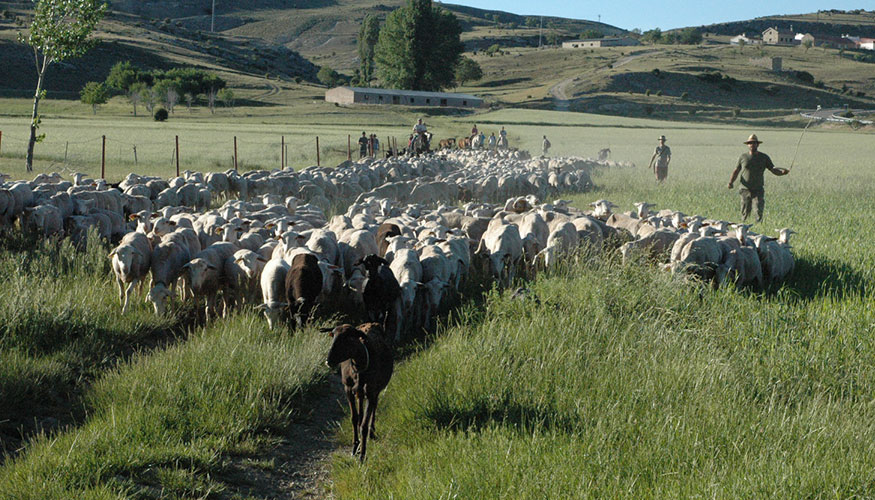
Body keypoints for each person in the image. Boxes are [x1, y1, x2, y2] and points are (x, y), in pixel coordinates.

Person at [728, 134, 789, 223]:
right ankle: (744, 229)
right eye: (750, 143)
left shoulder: (764, 157)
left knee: (758, 210)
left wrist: (783, 173)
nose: (752, 145)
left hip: (758, 189)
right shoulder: (743, 157)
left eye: (754, 143)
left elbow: (773, 169)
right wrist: (731, 182)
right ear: (748, 145)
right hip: (745, 189)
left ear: (758, 144)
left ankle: (759, 228)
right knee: (745, 212)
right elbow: (736, 170)